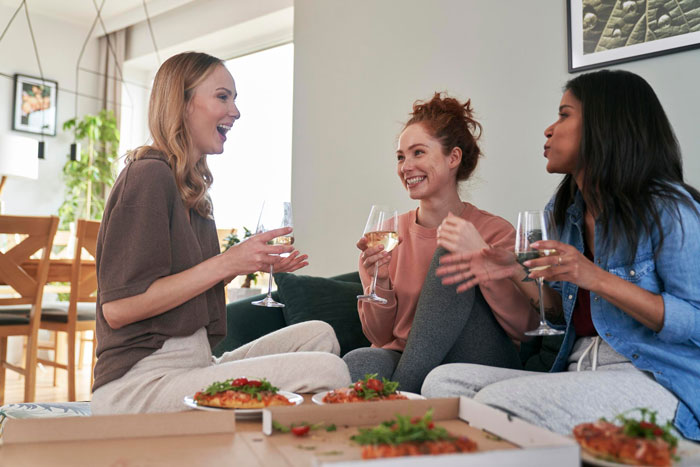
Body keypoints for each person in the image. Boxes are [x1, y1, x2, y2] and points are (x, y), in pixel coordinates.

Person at [426, 70, 700, 441]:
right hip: (577, 372)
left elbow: (695, 321)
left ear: (605, 125)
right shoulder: (565, 209)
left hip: (657, 382)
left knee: (496, 406)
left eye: (565, 114)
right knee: (443, 383)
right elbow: (556, 315)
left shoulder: (669, 208)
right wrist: (513, 270)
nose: (549, 129)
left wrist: (594, 277)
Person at [91, 52, 350, 414]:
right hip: (140, 383)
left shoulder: (192, 192)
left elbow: (184, 289)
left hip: (195, 365)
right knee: (329, 369)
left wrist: (243, 265)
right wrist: (226, 263)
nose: (236, 111)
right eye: (222, 96)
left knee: (319, 333)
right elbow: (118, 309)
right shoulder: (147, 176)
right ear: (181, 103)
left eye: (234, 98)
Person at [342, 93, 539, 393]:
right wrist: (378, 282)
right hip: (408, 356)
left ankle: (402, 397)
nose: (406, 166)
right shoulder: (386, 236)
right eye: (400, 156)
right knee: (359, 362)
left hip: (479, 358)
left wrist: (482, 264)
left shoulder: (494, 231)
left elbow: (526, 329)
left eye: (418, 153)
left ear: (453, 158)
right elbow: (381, 338)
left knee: (450, 251)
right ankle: (404, 397)